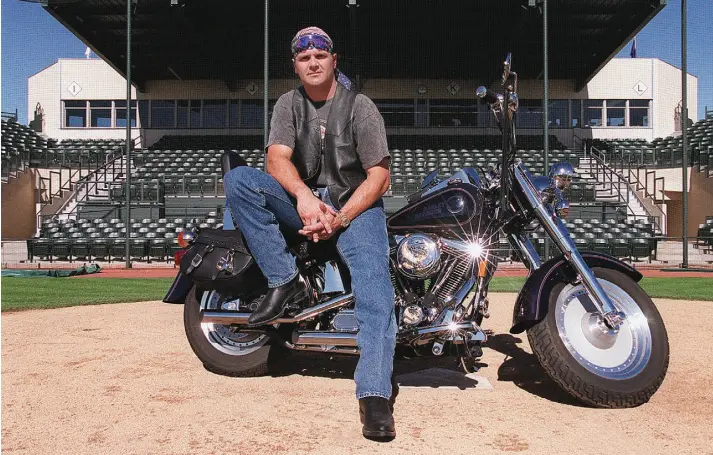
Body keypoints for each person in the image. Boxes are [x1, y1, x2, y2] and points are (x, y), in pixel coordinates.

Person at [223, 27, 397, 440]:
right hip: (305, 201)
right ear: (296, 65)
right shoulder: (288, 104)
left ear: (334, 60)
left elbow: (380, 176)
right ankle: (285, 280)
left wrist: (339, 216)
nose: (313, 62)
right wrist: (303, 197)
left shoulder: (361, 106)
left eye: (321, 54)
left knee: (376, 289)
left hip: (355, 206)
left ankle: (374, 394)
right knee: (240, 181)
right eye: (304, 58)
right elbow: (276, 160)